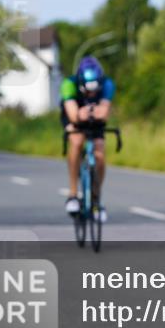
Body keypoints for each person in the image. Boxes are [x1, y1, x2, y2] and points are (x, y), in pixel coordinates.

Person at [60, 56, 116, 221]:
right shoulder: (68, 85)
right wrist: (80, 115)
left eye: (95, 90)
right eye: (88, 90)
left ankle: (96, 199)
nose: (92, 93)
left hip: (94, 120)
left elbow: (104, 114)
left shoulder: (107, 84)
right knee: (76, 141)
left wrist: (92, 113)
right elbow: (73, 114)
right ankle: (72, 194)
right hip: (73, 115)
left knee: (99, 153)